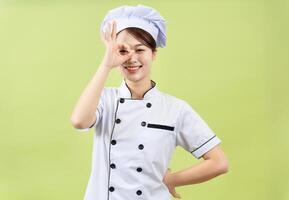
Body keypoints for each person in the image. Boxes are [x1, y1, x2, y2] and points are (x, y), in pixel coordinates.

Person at [70, 4, 229, 200]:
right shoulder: (105, 99)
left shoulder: (175, 109)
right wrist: (106, 63)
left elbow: (219, 163)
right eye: (123, 51)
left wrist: (171, 179)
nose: (131, 58)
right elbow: (79, 121)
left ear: (153, 54)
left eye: (140, 50)